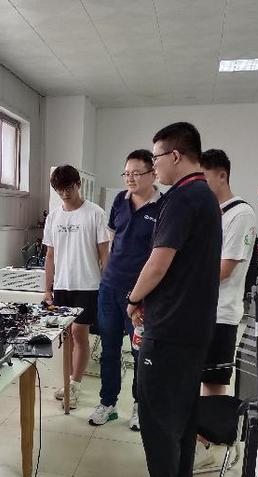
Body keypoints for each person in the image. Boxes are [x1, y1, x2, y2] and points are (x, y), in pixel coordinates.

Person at [117, 122, 221, 477]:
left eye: (156, 157)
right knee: (183, 413)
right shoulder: (205, 196)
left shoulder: (180, 198)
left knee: (158, 417)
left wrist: (133, 298)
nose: (153, 166)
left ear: (175, 155)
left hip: (170, 328)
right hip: (193, 327)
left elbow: (158, 263)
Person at [89, 150, 163, 431]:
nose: (130, 178)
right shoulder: (120, 200)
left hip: (141, 294)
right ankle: (107, 403)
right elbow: (112, 241)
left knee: (140, 353)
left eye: (136, 173)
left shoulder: (163, 207)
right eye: (126, 173)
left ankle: (139, 406)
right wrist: (106, 276)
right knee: (109, 349)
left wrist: (141, 295)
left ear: (153, 174)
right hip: (110, 289)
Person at [195, 149, 257, 468]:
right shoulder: (211, 211)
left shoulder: (240, 214)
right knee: (198, 376)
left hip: (221, 312)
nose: (200, 186)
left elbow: (225, 267)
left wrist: (184, 281)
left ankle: (213, 443)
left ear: (222, 175)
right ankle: (201, 437)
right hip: (199, 310)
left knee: (214, 379)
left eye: (204, 178)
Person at [43, 165, 110, 409]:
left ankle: (76, 384)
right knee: (66, 337)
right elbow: (50, 255)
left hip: (88, 285)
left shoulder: (95, 213)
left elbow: (105, 254)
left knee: (79, 333)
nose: (64, 194)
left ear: (78, 184)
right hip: (62, 285)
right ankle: (68, 380)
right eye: (59, 190)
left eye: (68, 188)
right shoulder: (53, 217)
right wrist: (47, 288)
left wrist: (107, 285)